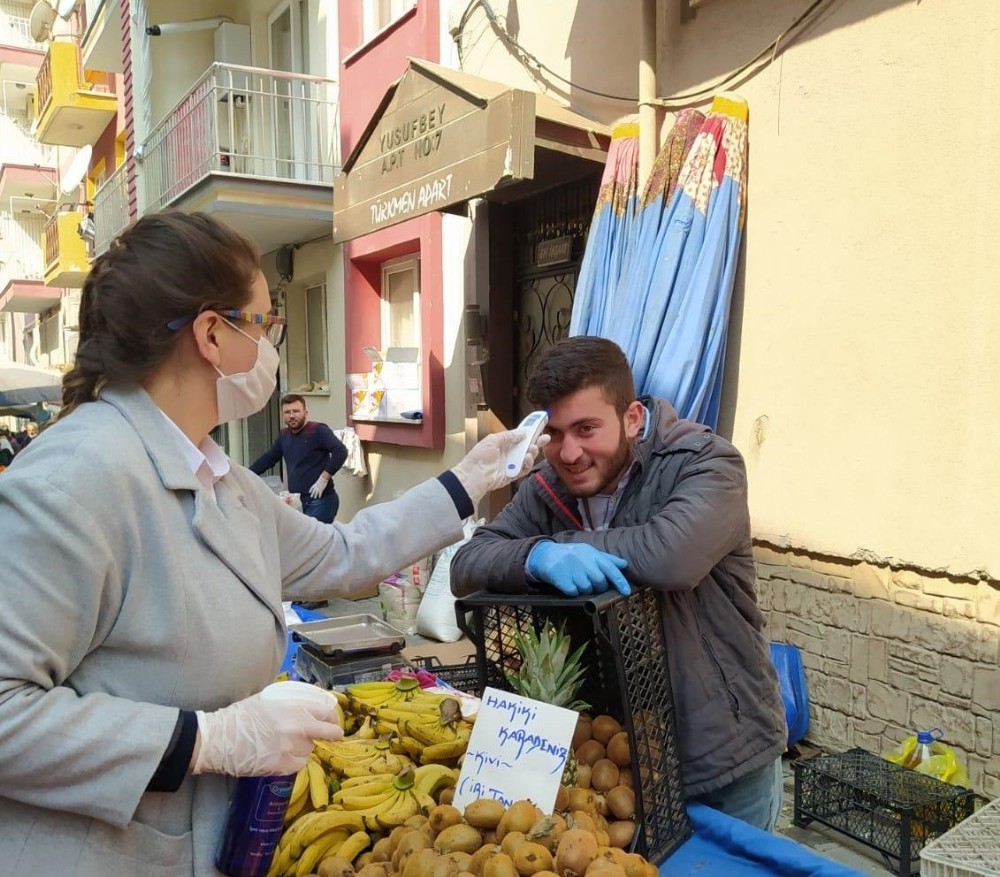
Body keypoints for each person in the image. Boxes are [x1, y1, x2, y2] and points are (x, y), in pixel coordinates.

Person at [0, 211, 541, 876]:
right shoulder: (73, 481)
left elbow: (343, 555)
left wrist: (468, 479)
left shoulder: (222, 479)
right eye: (265, 322)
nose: (273, 345)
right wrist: (202, 739)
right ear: (211, 333)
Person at [449, 336, 786, 832]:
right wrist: (538, 554)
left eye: (587, 429)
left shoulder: (705, 463)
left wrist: (561, 541)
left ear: (631, 417)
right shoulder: (547, 487)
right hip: (615, 763)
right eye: (556, 432)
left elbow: (672, 555)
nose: (569, 452)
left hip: (719, 757)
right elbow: (468, 564)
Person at [250, 395, 348, 525]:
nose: (291, 416)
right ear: (283, 415)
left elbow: (340, 451)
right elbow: (268, 459)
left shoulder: (318, 430)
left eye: (296, 411)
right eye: (287, 412)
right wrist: (245, 473)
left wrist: (324, 479)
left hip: (321, 501)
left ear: (305, 413)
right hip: (296, 502)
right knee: (300, 543)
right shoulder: (284, 436)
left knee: (314, 543)